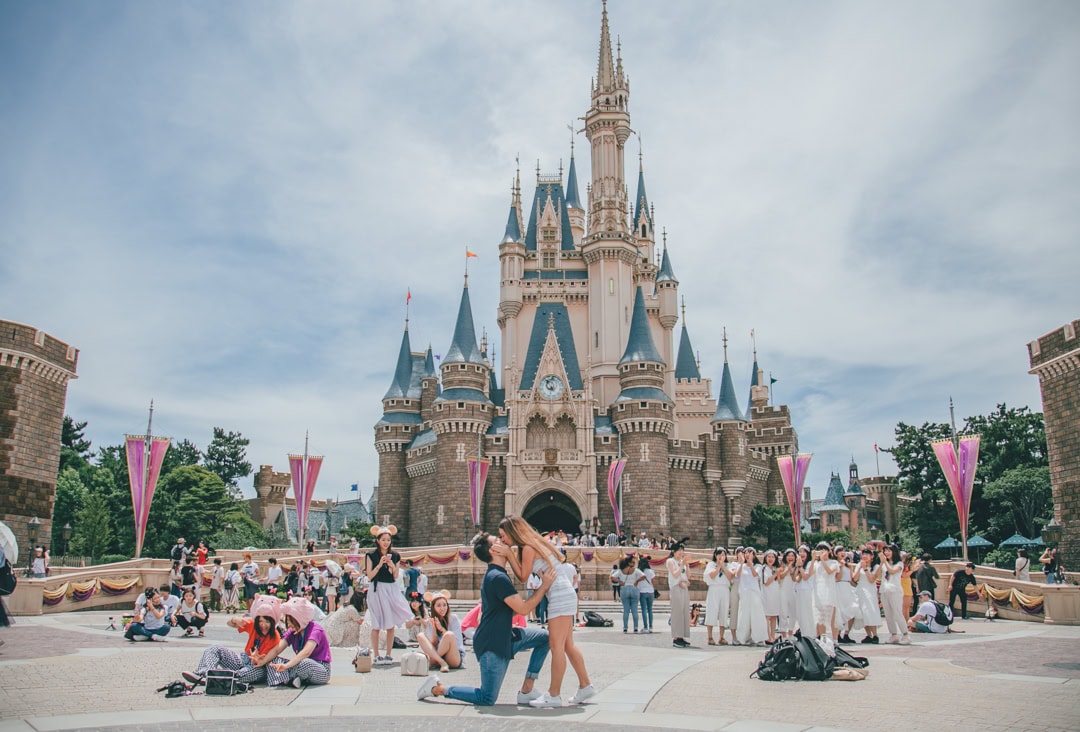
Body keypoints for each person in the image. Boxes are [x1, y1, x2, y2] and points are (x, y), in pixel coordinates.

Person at [416, 531, 555, 706]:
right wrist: (544, 587)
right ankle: (438, 689)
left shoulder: (498, 574)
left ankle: (527, 689)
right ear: (493, 550)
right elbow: (524, 609)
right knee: (487, 697)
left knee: (546, 639)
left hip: (506, 636)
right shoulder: (497, 577)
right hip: (492, 645)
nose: (503, 540)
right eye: (498, 540)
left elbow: (510, 611)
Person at [499, 516, 595, 708]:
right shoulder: (534, 543)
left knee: (556, 646)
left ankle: (554, 694)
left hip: (558, 594)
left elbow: (523, 576)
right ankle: (585, 686)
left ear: (512, 532)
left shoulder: (527, 548)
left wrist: (509, 555)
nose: (502, 541)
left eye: (503, 536)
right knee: (567, 645)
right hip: (564, 592)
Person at [186, 594, 282, 686]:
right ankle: (204, 673)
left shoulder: (275, 636)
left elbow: (265, 659)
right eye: (260, 621)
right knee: (215, 648)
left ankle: (223, 679)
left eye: (267, 622)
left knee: (250, 673)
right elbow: (230, 624)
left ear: (273, 622)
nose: (263, 625)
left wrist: (257, 659)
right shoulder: (253, 624)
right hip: (244, 659)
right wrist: (234, 620)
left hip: (259, 666)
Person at [364, 525, 414, 665]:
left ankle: (388, 654)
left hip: (391, 589)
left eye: (388, 539)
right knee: (376, 624)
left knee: (390, 624)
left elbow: (396, 575)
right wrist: (379, 564)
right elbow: (369, 576)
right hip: (376, 589)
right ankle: (376, 654)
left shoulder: (396, 555)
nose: (386, 542)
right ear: (378, 540)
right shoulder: (371, 555)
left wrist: (392, 566)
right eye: (383, 539)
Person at [266, 597, 332, 688]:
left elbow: (306, 652)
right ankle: (292, 678)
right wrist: (262, 660)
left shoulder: (316, 629)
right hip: (298, 665)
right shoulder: (293, 631)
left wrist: (287, 666)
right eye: (287, 621)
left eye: (291, 621)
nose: (288, 625)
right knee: (274, 660)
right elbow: (277, 649)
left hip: (320, 668)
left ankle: (286, 678)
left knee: (305, 663)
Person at [417, 590, 464, 673]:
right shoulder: (430, 621)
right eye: (438, 606)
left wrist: (442, 629)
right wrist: (435, 629)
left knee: (449, 634)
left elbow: (456, 642)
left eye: (444, 605)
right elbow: (433, 644)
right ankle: (441, 662)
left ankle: (433, 661)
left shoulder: (453, 618)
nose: (442, 608)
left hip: (453, 656)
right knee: (420, 635)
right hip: (439, 654)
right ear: (433, 608)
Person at [736, 547, 768, 646]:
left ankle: (759, 638)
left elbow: (755, 575)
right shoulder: (741, 565)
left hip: (754, 593)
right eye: (746, 553)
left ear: (754, 555)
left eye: (750, 553)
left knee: (757, 615)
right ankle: (743, 638)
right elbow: (737, 575)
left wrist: (751, 565)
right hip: (744, 593)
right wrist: (742, 563)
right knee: (743, 615)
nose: (747, 554)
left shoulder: (758, 566)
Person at [879, 544, 910, 644]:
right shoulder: (885, 563)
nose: (886, 553)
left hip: (894, 590)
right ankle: (893, 634)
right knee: (888, 614)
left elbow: (892, 571)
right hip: (885, 590)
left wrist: (884, 562)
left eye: (889, 551)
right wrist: (882, 562)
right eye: (885, 551)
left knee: (897, 613)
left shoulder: (899, 563)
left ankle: (905, 635)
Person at [703, 548, 732, 646]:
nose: (721, 556)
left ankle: (721, 636)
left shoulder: (728, 565)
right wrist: (718, 567)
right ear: (715, 555)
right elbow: (711, 576)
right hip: (714, 589)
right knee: (711, 611)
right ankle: (710, 636)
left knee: (723, 612)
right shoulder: (711, 565)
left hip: (724, 589)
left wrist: (723, 567)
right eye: (719, 554)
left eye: (723, 554)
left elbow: (730, 576)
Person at [832, 546, 861, 644]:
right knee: (841, 611)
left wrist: (854, 568)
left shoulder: (848, 565)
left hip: (848, 587)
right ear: (836, 554)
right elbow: (837, 578)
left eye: (843, 551)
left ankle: (847, 633)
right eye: (839, 551)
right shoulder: (835, 564)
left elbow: (853, 579)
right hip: (839, 587)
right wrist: (840, 567)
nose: (842, 553)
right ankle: (838, 633)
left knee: (853, 609)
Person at [810, 542, 838, 640]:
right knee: (819, 616)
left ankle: (834, 639)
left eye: (824, 549)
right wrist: (813, 559)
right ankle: (822, 637)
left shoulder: (834, 562)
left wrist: (822, 560)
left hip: (829, 590)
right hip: (818, 591)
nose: (822, 552)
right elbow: (809, 573)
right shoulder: (816, 564)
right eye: (820, 549)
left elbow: (830, 571)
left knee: (830, 616)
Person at [852, 548, 880, 644]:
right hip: (860, 590)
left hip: (870, 590)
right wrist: (860, 567)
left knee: (870, 611)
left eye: (867, 554)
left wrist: (865, 568)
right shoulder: (859, 565)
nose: (865, 556)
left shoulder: (875, 567)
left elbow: (871, 579)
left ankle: (875, 635)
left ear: (872, 556)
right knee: (863, 612)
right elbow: (855, 578)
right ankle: (869, 635)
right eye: (863, 554)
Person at [667, 542, 692, 648]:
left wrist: (686, 564)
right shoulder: (670, 561)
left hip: (684, 588)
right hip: (675, 587)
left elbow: (688, 575)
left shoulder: (683, 562)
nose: (681, 553)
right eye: (679, 550)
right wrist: (682, 564)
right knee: (677, 612)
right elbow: (675, 574)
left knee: (684, 612)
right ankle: (676, 637)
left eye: (682, 550)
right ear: (674, 551)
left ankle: (682, 636)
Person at [611, 556, 644, 633]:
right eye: (632, 562)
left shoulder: (621, 570)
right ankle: (635, 627)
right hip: (634, 588)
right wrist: (637, 581)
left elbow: (612, 577)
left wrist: (620, 581)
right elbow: (643, 576)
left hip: (624, 588)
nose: (634, 563)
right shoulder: (635, 570)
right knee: (634, 610)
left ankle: (625, 627)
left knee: (626, 610)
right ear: (628, 563)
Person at [761, 549, 781, 643]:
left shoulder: (775, 568)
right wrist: (775, 575)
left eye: (773, 557)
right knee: (767, 616)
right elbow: (766, 582)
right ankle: (767, 636)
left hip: (775, 595)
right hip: (766, 595)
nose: (771, 559)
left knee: (774, 616)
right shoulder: (764, 568)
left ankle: (773, 635)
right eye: (769, 557)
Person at [777, 548, 798, 640]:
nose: (790, 557)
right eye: (789, 555)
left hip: (792, 591)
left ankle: (790, 632)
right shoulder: (781, 566)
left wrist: (794, 569)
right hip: (783, 591)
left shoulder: (796, 567)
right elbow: (781, 577)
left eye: (792, 556)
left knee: (793, 612)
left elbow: (794, 578)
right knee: (783, 613)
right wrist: (788, 568)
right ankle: (783, 634)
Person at [637, 555, 656, 634]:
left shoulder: (638, 571)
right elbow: (653, 581)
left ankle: (645, 627)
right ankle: (651, 627)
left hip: (642, 592)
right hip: (650, 591)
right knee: (650, 610)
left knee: (644, 610)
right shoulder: (650, 571)